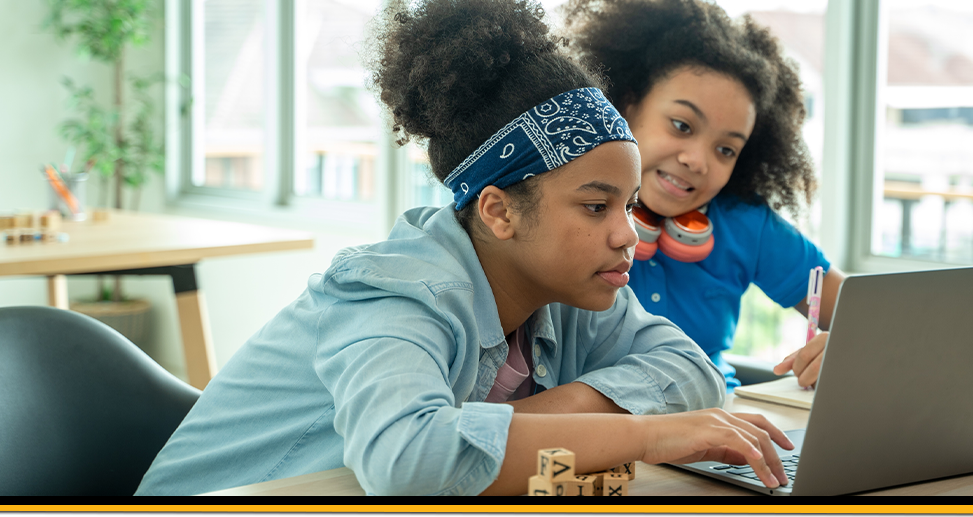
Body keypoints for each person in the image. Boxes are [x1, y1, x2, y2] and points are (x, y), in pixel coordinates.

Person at [135, 0, 795, 496]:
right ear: (499, 210)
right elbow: (411, 459)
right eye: (596, 206)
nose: (626, 232)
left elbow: (689, 371)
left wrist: (504, 420)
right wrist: (646, 432)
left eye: (626, 204)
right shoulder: (391, 290)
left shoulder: (572, 287)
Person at [564, 0, 846, 391]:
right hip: (596, 441)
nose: (698, 161)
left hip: (717, 421)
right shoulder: (558, 206)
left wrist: (849, 347)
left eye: (726, 149)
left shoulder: (745, 221)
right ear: (626, 105)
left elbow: (869, 316)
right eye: (682, 125)